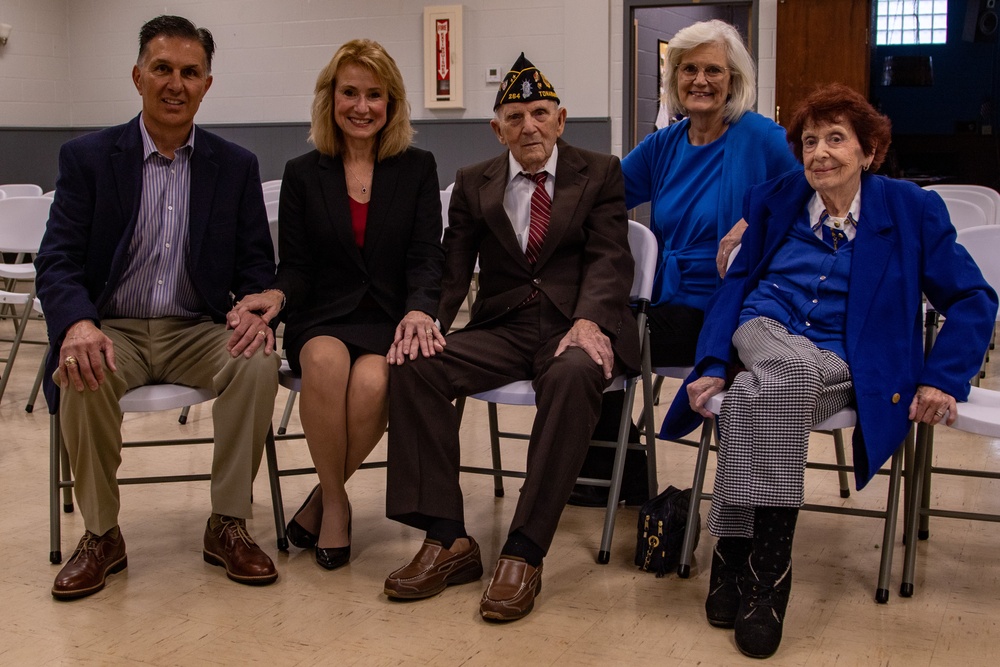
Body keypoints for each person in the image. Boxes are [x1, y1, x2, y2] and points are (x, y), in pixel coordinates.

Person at [661, 83, 998, 659]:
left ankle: (733, 555)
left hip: (848, 356)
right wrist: (715, 361)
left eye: (836, 139)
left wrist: (942, 376)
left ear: (869, 151)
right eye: (810, 141)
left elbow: (973, 297)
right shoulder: (774, 199)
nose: (819, 152)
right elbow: (737, 285)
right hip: (763, 328)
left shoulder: (911, 209)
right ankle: (769, 579)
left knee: (757, 398)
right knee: (782, 375)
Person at [381, 53, 639, 622]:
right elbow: (452, 271)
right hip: (504, 328)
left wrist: (591, 320)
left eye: (540, 113)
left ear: (561, 119)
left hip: (574, 324)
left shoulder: (598, 172)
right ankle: (447, 538)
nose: (530, 126)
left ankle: (524, 548)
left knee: (574, 373)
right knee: (413, 364)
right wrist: (425, 319)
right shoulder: (474, 182)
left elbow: (610, 259)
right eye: (516, 116)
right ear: (496, 128)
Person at [36, 15, 281, 600]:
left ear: (207, 84)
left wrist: (260, 303)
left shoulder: (235, 165)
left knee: (257, 361)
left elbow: (255, 267)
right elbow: (59, 259)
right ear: (138, 76)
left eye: (190, 72)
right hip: (111, 327)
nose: (176, 83)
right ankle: (101, 535)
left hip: (195, 326)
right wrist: (75, 324)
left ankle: (227, 523)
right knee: (81, 368)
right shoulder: (88, 158)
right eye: (163, 69)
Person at [571, 19, 798, 507]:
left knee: (603, 339)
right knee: (585, 332)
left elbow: (812, 197)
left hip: (730, 308)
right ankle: (621, 470)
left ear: (734, 79)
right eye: (688, 69)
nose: (700, 80)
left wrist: (754, 224)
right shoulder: (665, 144)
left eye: (713, 69)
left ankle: (619, 474)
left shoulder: (763, 138)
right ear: (674, 79)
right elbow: (605, 197)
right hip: (667, 299)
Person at [235, 39, 444, 570]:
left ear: (391, 103)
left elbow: (426, 258)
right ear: (330, 99)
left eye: (375, 94)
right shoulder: (305, 172)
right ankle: (336, 504)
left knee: (375, 382)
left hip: (389, 318)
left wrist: (420, 309)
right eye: (349, 92)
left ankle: (323, 498)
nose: (361, 106)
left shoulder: (417, 167)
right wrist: (278, 296)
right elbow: (297, 266)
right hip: (322, 314)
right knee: (325, 363)